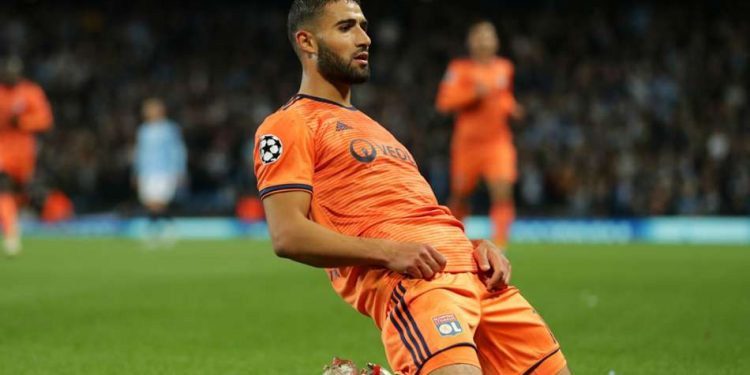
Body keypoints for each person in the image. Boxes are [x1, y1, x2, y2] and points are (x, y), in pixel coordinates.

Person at [255, 1, 569, 374]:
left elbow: (417, 215)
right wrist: (390, 252)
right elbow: (287, 235)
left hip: (483, 281)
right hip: (418, 285)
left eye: (363, 26)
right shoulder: (289, 124)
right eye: (346, 28)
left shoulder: (378, 130)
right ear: (307, 41)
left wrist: (475, 246)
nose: (364, 38)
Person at [435, 20, 524, 246]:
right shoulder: (459, 68)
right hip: (468, 145)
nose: (484, 40)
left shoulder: (505, 67)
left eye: (489, 36)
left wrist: (512, 107)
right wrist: (473, 94)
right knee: (460, 196)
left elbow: (503, 96)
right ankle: (454, 241)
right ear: (471, 42)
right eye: (480, 36)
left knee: (503, 190)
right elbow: (444, 102)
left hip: (498, 143)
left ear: (496, 42)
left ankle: (501, 246)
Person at [0, 55, 53, 256]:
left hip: (24, 153)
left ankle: (14, 220)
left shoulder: (30, 92)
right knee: (2, 187)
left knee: (21, 193)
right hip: (2, 150)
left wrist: (21, 122)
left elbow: (45, 119)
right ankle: (11, 235)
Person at [133, 97, 187, 247]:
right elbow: (139, 153)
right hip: (147, 172)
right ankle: (163, 229)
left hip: (164, 171)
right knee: (150, 204)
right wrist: (136, 172)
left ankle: (161, 231)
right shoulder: (143, 130)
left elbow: (178, 151)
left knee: (159, 203)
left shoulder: (169, 129)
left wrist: (179, 170)